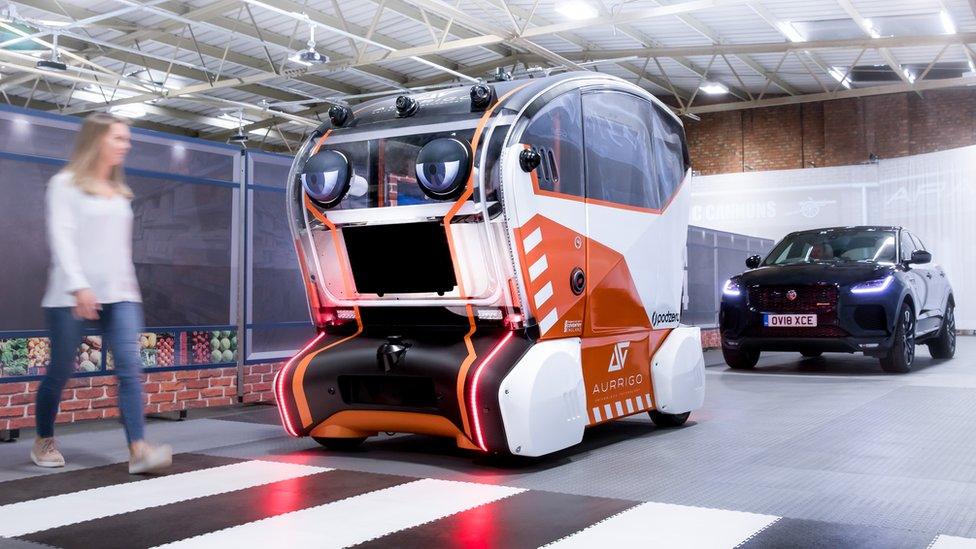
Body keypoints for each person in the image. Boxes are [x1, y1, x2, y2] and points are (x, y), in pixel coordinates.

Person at [33, 113, 172, 474]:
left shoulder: (121, 192)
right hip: (69, 295)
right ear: (97, 140)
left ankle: (138, 449)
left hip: (121, 295)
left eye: (127, 139)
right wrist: (79, 285)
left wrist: (130, 291)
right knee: (60, 371)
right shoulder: (64, 184)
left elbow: (119, 251)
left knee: (129, 369)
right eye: (119, 138)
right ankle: (44, 438)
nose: (126, 145)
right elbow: (61, 237)